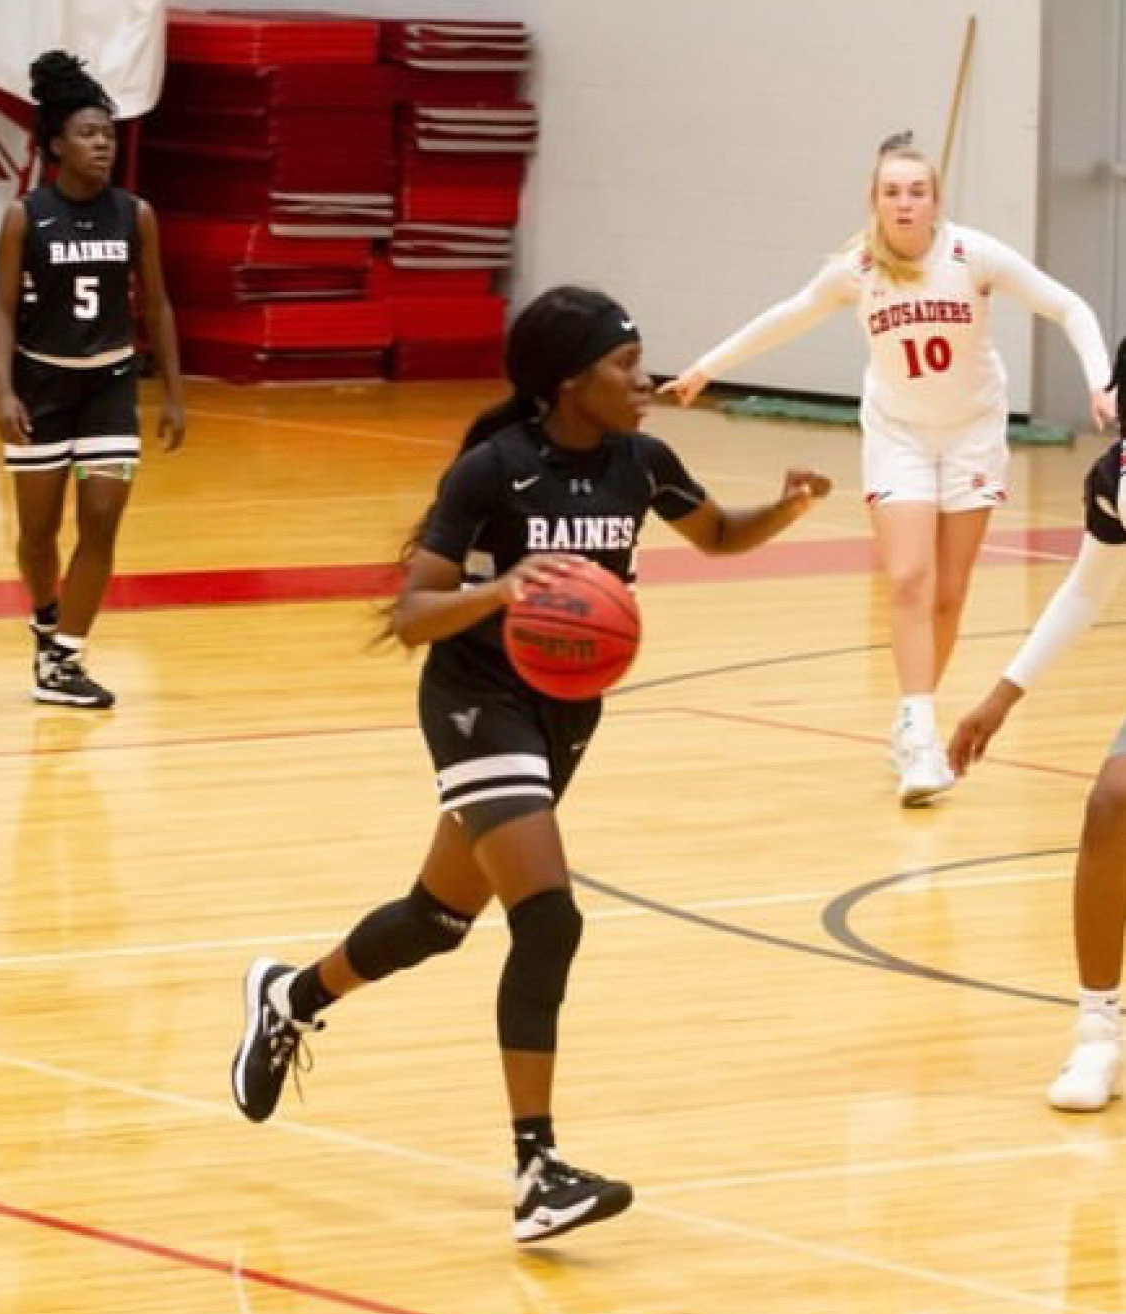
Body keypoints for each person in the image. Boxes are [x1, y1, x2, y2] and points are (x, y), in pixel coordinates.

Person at [230, 285, 832, 1242]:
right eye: (626, 368)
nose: (645, 383)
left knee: (434, 920)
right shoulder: (493, 472)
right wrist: (504, 589)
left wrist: (789, 507)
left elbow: (716, 536)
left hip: (564, 715)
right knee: (548, 919)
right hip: (473, 700)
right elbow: (411, 615)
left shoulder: (643, 463)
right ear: (569, 380)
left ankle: (289, 998)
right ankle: (536, 1167)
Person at [662, 132, 1114, 807]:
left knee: (948, 592)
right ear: (873, 202)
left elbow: (1067, 306)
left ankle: (910, 719)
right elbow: (788, 316)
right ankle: (918, 730)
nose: (904, 203)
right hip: (898, 433)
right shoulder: (855, 268)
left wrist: (1099, 381)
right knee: (908, 578)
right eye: (891, 192)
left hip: (972, 432)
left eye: (916, 191)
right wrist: (704, 368)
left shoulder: (972, 255)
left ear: (935, 202)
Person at [949, 336, 1126, 1113]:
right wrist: (1002, 694)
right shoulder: (1117, 476)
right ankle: (1097, 1031)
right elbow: (1087, 592)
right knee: (1109, 805)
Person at [0, 51, 185, 709]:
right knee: (38, 536)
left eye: (108, 134)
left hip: (109, 388)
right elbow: (4, 310)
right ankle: (46, 617)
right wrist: (3, 390)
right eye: (88, 134)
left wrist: (174, 394)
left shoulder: (136, 214)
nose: (102, 144)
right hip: (41, 389)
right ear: (55, 146)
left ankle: (64, 660)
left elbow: (155, 304)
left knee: (100, 521)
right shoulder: (25, 216)